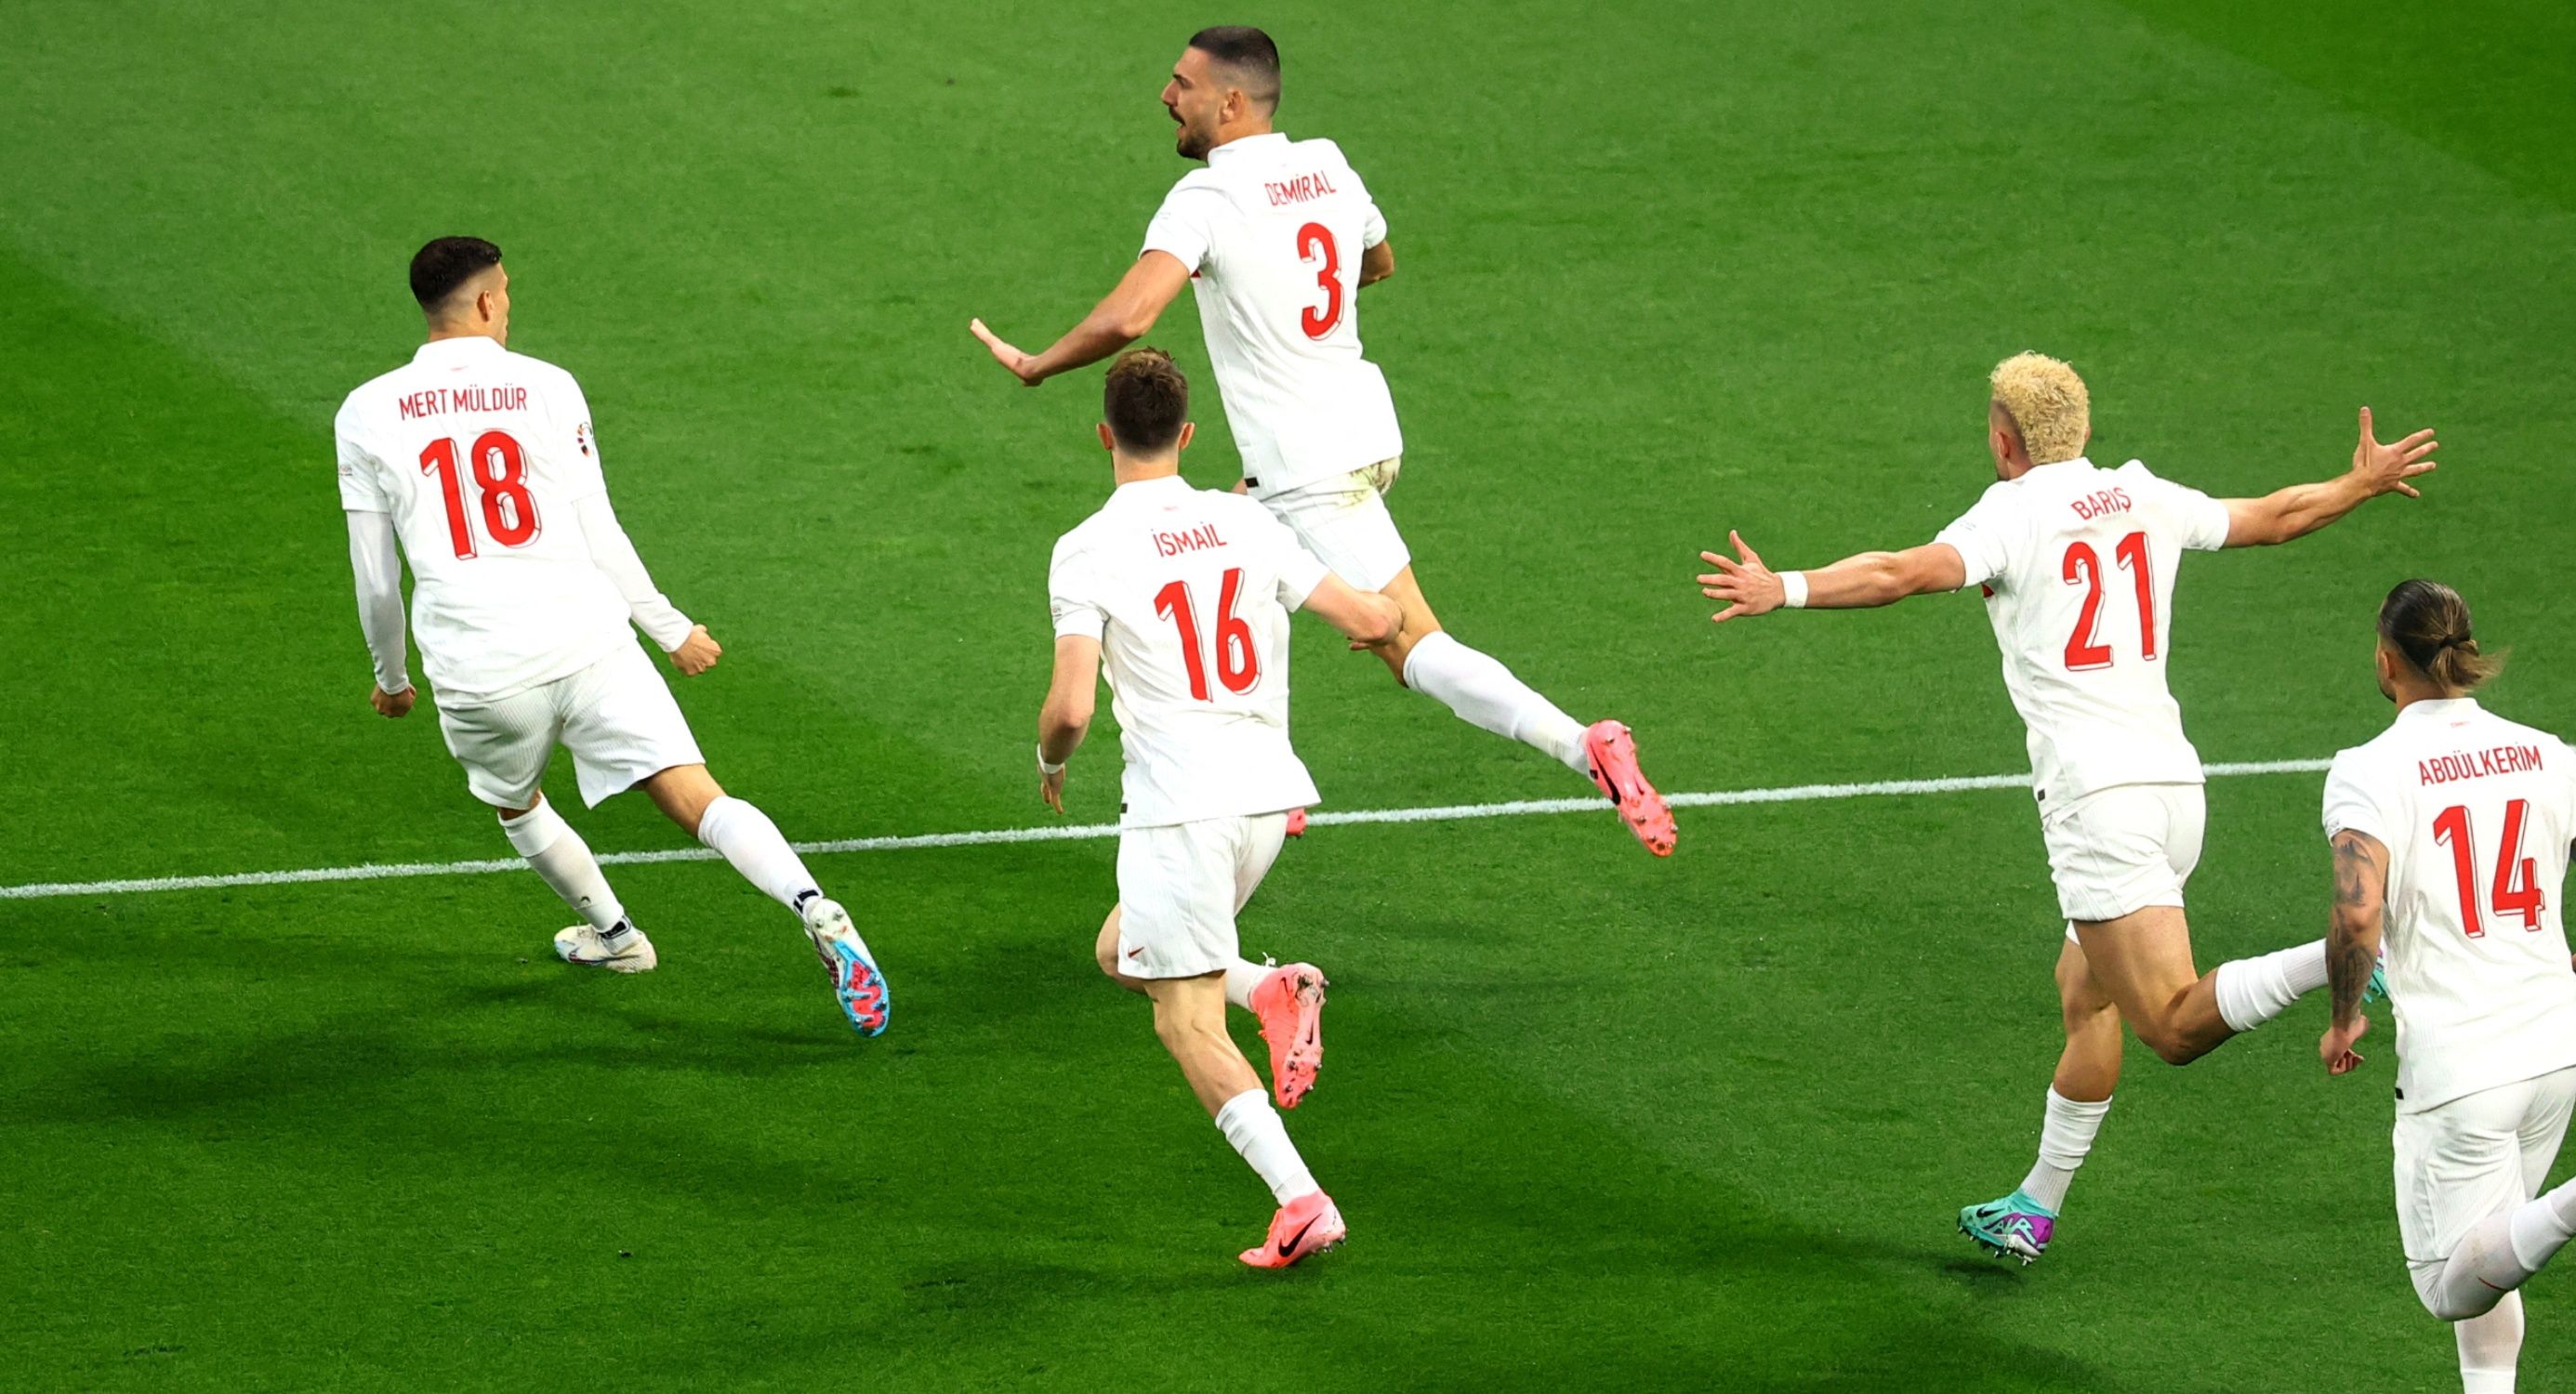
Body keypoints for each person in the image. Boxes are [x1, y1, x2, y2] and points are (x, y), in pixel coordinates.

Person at [1698, 351, 2436, 1261]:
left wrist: (1788, 588)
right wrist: (2359, 483)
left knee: (2168, 1022)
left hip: (2098, 805)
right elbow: (2274, 518)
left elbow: (1902, 572)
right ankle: (2033, 1208)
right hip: (2173, 788)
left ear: (2006, 443)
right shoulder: (2141, 493)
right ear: (2081, 432)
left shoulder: (2013, 513)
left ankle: (2352, 951)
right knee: (2084, 993)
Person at [971, 24, 1674, 856]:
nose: (1167, 97)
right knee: (1239, 541)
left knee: (1408, 641)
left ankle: (1580, 742)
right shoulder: (1330, 164)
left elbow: (1131, 316)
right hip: (1364, 432)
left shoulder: (1206, 201)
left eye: (1182, 85)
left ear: (1230, 102)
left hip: (1309, 461)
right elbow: (1376, 260)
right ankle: (1275, 772)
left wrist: (1039, 365)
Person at [336, 236, 888, 1036]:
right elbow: (600, 529)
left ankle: (619, 938)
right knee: (697, 795)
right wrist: (671, 630)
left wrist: (391, 679)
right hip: (589, 640)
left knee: (518, 805)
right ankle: (813, 903)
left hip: (482, 669)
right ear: (487, 300)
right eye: (508, 293)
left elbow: (375, 577)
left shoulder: (366, 410)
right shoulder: (548, 388)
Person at [1037, 348, 1403, 1267]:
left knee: (1182, 1018)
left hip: (1180, 811)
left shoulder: (1086, 550)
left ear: (1105, 435)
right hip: (1266, 805)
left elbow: (1072, 708)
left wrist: (1050, 760)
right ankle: (1275, 989)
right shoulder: (1245, 523)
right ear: (1187, 434)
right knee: (1122, 949)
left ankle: (1302, 1200)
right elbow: (1369, 620)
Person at [2315, 578, 2576, 1393]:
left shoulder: (2369, 769)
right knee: (2498, 1251)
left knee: (2446, 1284)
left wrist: (2345, 1017)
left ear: (2387, 662)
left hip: (2462, 1069)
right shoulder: (2543, 752)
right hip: (2555, 1053)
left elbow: (2357, 919)